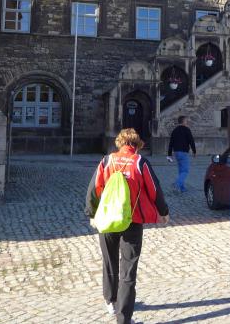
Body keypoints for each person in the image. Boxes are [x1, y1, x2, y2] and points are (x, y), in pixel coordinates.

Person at [86, 128, 169, 324]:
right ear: (137, 145)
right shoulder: (140, 162)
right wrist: (163, 212)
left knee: (109, 260)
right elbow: (154, 189)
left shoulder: (107, 161)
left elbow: (94, 189)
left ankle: (110, 300)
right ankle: (123, 318)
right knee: (128, 269)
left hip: (107, 219)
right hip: (132, 220)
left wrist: (91, 214)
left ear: (120, 143)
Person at [166, 116, 196, 193]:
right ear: (183, 121)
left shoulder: (174, 130)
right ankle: (177, 184)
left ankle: (182, 188)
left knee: (181, 171)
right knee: (185, 171)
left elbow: (171, 143)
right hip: (184, 152)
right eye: (186, 121)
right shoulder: (187, 130)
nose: (187, 122)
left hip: (176, 152)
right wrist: (194, 151)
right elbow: (191, 141)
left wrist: (169, 154)